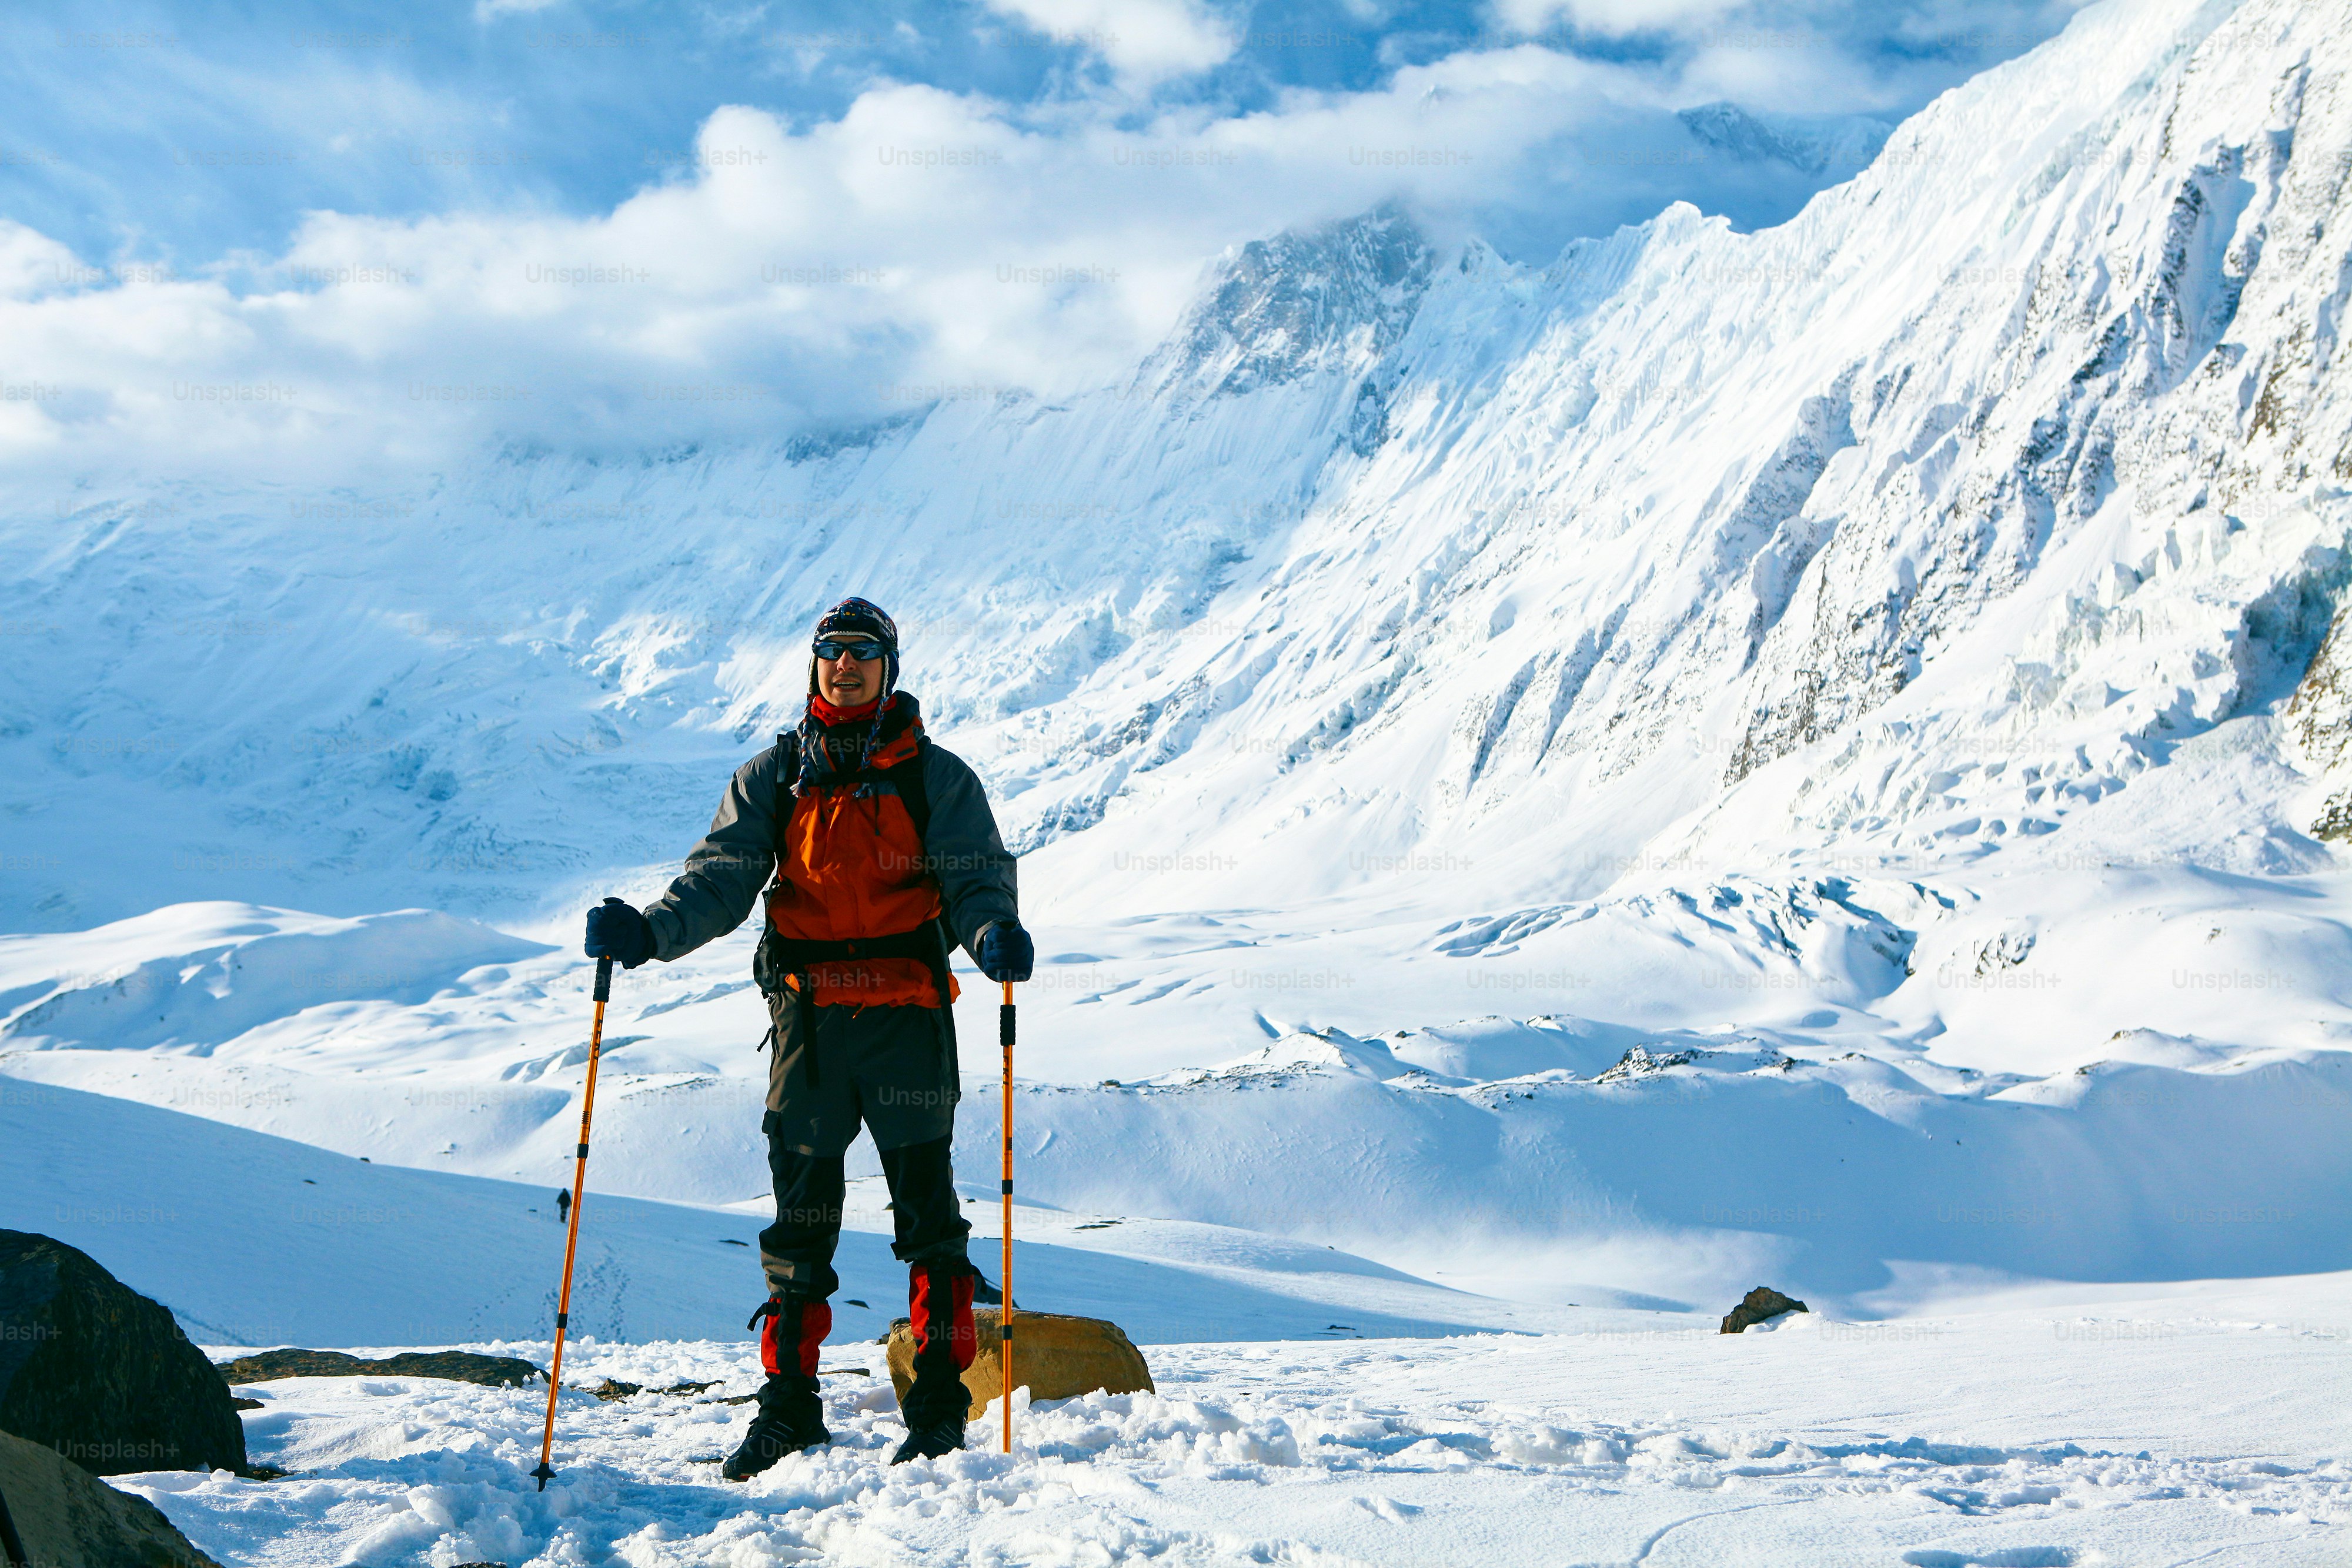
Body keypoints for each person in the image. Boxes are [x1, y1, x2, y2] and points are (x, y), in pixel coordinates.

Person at [582, 597, 1033, 1476]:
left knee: (931, 1226)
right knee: (801, 1229)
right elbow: (719, 881)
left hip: (906, 1015)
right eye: (832, 652)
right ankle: (789, 1409)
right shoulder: (775, 777)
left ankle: (940, 1409)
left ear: (889, 668)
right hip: (811, 1023)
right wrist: (648, 933)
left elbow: (977, 876)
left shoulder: (936, 779)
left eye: (863, 652)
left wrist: (991, 937)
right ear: (815, 666)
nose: (846, 666)